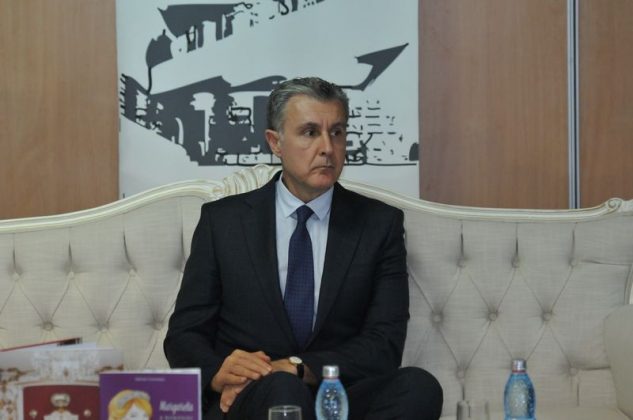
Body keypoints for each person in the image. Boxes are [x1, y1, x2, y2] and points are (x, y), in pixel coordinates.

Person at [164, 77, 443, 419]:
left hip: (336, 394)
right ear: (275, 142)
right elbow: (184, 335)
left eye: (337, 132)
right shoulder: (223, 222)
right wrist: (220, 374)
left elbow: (384, 344)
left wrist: (299, 367)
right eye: (310, 132)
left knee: (419, 386)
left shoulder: (378, 225)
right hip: (252, 397)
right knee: (283, 390)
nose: (327, 148)